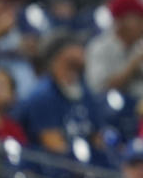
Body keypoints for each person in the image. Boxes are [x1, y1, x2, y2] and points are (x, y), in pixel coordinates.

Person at [16, 30, 106, 159]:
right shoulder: (43, 95)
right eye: (76, 45)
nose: (82, 49)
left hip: (87, 165)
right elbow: (55, 147)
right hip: (56, 172)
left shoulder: (84, 90)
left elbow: (98, 137)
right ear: (60, 53)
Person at [85, 0, 143, 101]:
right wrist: (136, 62)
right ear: (122, 20)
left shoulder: (141, 45)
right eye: (140, 18)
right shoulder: (99, 48)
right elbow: (101, 91)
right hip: (113, 115)